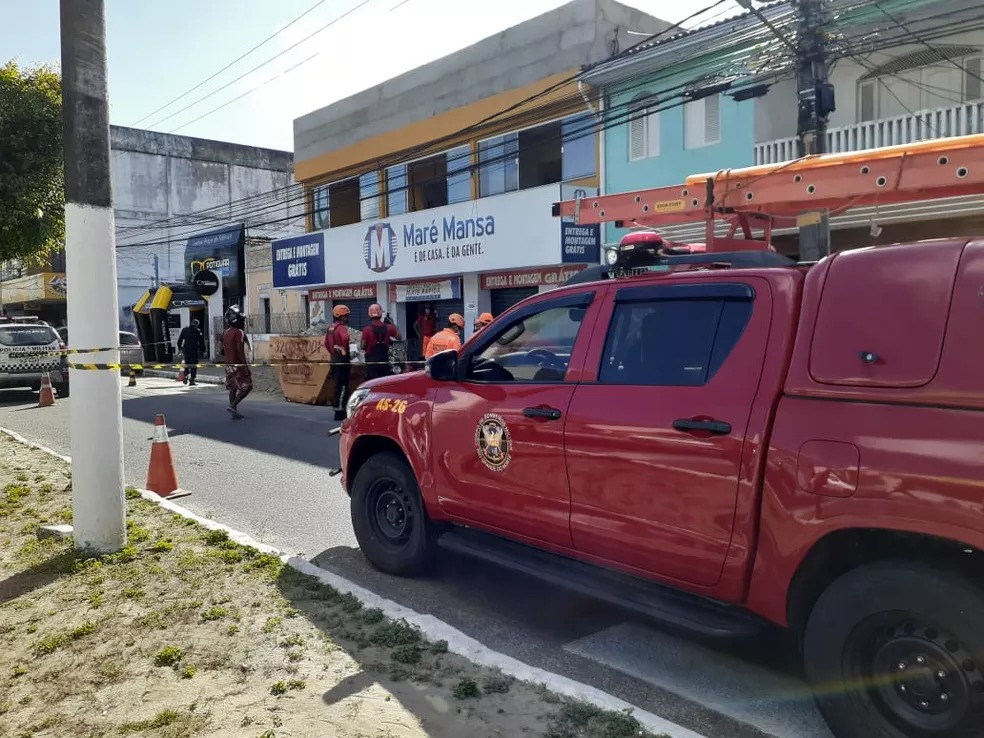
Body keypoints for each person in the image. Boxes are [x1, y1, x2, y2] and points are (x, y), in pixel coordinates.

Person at [221, 306, 252, 419]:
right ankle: (233, 406)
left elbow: (222, 351)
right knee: (247, 387)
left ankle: (234, 410)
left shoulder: (225, 332)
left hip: (228, 365)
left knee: (233, 387)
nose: (244, 323)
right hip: (239, 365)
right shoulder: (239, 332)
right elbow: (240, 351)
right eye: (242, 321)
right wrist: (245, 367)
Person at [325, 304, 352, 421]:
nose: (347, 318)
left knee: (337, 385)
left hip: (334, 359)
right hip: (342, 359)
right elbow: (345, 339)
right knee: (343, 385)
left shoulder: (331, 328)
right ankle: (341, 411)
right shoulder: (341, 328)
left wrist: (333, 351)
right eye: (346, 316)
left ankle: (336, 408)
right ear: (341, 316)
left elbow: (326, 343)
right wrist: (344, 350)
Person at [361, 303, 401, 381]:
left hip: (371, 364)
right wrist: (392, 324)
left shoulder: (366, 329)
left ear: (369, 314)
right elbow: (399, 337)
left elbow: (362, 346)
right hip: (384, 362)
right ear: (380, 313)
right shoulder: (389, 328)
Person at [176, 318, 206, 386]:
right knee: (194, 365)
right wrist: (203, 350)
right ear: (197, 325)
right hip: (194, 350)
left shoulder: (184, 330)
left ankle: (186, 374)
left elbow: (179, 340)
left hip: (186, 349)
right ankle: (192, 380)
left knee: (187, 363)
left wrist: (180, 348)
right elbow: (201, 342)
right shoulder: (197, 331)